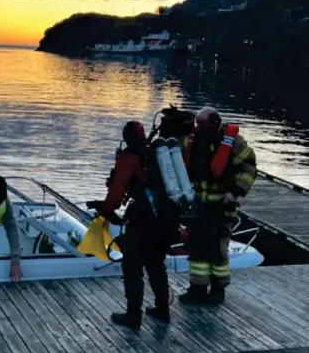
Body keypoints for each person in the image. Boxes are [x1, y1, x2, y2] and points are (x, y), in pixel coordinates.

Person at [88, 121, 180, 329]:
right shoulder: (157, 155)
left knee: (132, 267)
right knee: (156, 264)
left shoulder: (129, 158)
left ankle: (133, 315)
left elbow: (116, 194)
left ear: (126, 137)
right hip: (165, 218)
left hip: (142, 221)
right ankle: (162, 310)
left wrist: (105, 210)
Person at [178, 106, 257, 305]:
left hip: (221, 207)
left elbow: (249, 168)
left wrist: (235, 192)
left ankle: (218, 289)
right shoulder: (193, 140)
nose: (200, 129)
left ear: (214, 123)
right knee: (196, 248)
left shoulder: (234, 143)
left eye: (203, 126)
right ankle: (197, 288)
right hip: (198, 206)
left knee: (218, 249)